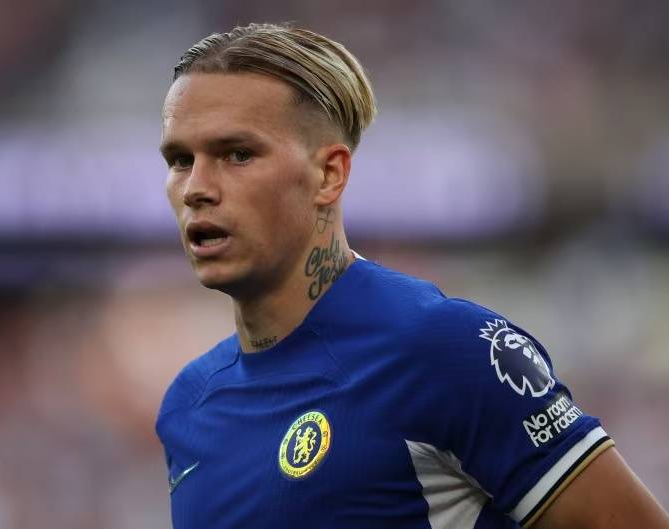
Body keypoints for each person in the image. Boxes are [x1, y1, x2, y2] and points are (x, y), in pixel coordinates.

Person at [155, 22, 669, 529]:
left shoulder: (443, 349)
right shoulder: (187, 405)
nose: (196, 187)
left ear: (329, 174)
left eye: (238, 154)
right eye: (180, 160)